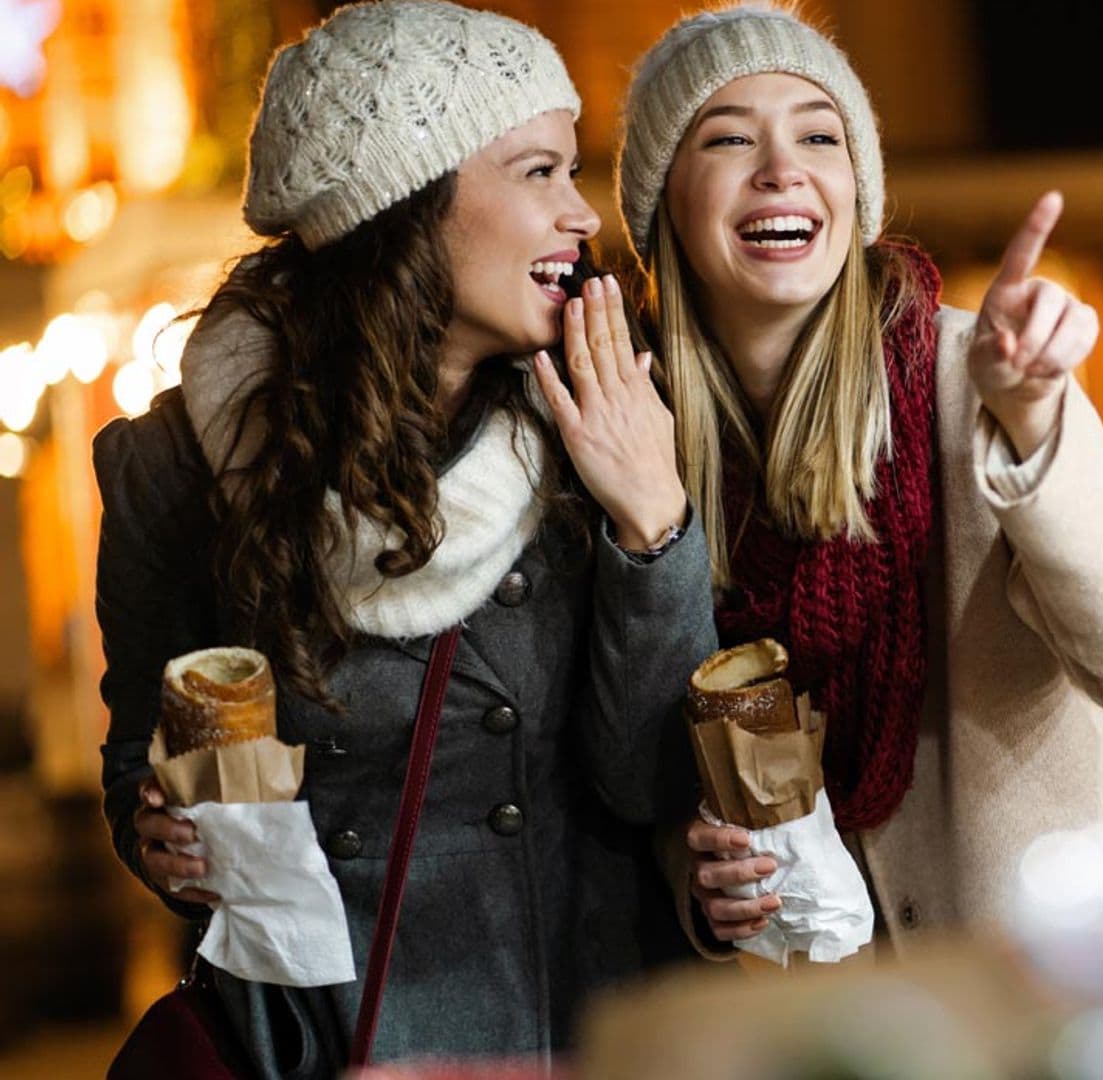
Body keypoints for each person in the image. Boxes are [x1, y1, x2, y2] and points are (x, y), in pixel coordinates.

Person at [94, 1, 714, 1072]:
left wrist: (652, 520)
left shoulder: (599, 418)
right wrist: (162, 839)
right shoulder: (182, 463)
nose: (580, 214)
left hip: (575, 1020)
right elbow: (139, 748)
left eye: (574, 172)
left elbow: (648, 781)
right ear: (407, 203)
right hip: (327, 1037)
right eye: (537, 173)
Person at [615, 5, 1103, 953]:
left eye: (819, 137)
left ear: (856, 194)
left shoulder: (968, 373)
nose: (782, 169)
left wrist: (1037, 427)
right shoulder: (640, 438)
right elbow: (652, 762)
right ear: (666, 201)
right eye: (731, 138)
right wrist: (700, 883)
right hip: (892, 1010)